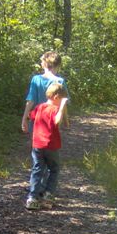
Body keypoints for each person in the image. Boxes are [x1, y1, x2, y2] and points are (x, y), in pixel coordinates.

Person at [26, 83, 69, 211]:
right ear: (56, 97)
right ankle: (48, 196)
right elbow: (56, 121)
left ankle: (32, 198)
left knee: (37, 170)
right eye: (61, 99)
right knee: (53, 169)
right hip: (51, 145)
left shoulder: (39, 107)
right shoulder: (55, 109)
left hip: (37, 145)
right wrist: (61, 107)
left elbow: (30, 116)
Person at [21, 51, 69, 133]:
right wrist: (65, 121)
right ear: (58, 65)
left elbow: (30, 101)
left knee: (37, 143)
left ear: (44, 64)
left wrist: (24, 119)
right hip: (53, 119)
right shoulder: (60, 81)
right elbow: (63, 103)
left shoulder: (36, 79)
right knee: (52, 143)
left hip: (37, 119)